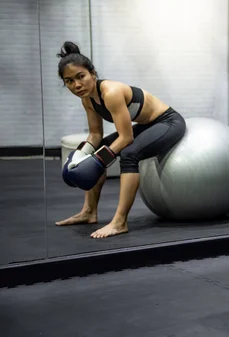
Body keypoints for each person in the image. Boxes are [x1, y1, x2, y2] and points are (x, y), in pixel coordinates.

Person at [55, 41, 186, 239]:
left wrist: (97, 161)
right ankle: (89, 212)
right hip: (146, 125)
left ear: (93, 73)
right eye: (69, 81)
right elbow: (95, 135)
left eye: (80, 77)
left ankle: (119, 221)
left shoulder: (111, 93)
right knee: (98, 148)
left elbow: (126, 137)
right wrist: (81, 156)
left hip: (168, 122)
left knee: (129, 154)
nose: (77, 85)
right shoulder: (87, 99)